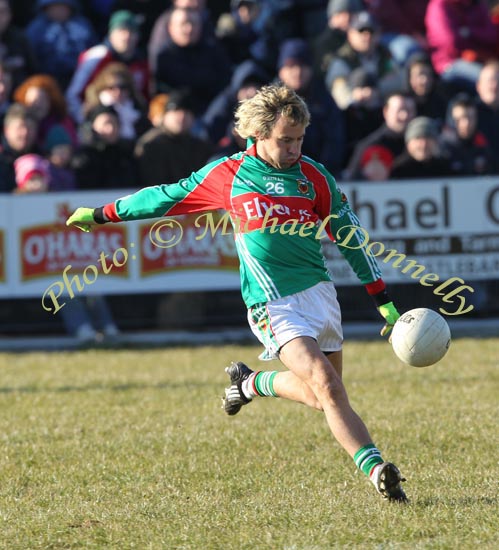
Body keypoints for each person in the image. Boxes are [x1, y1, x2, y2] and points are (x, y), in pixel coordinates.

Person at [66, 83, 408, 502]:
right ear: (258, 134)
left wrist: (384, 301)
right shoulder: (228, 175)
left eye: (300, 139)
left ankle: (251, 383)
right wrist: (103, 214)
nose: (294, 149)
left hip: (320, 296)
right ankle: (379, 474)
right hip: (272, 303)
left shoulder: (314, 177)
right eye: (285, 140)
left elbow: (351, 237)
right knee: (327, 386)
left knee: (325, 397)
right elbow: (163, 199)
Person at [65, 10, 149, 123]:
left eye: (132, 31)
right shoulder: (97, 56)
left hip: (129, 123)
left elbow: (142, 98)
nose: (127, 36)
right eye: (121, 31)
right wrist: (83, 122)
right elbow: (73, 95)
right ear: (111, 34)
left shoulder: (142, 63)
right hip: (96, 121)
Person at [276, 38, 346, 173]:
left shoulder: (324, 100)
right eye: (291, 66)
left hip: (318, 174)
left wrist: (320, 173)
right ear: (281, 71)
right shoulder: (270, 101)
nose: (297, 72)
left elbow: (334, 141)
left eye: (302, 66)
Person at [152, 6, 231, 116]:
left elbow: (224, 85)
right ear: (171, 27)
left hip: (209, 113)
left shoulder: (213, 52)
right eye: (183, 23)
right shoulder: (162, 57)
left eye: (193, 24)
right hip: (173, 114)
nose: (189, 29)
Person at [134, 89, 213, 186]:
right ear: (165, 114)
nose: (182, 116)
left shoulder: (201, 147)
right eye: (176, 111)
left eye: (187, 112)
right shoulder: (151, 144)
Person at [325, 10, 400, 109]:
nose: (367, 36)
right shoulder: (342, 60)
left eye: (371, 31)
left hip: (382, 112)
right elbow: (339, 92)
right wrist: (354, 96)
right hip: (352, 116)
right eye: (361, 31)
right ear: (350, 34)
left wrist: (377, 92)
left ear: (379, 34)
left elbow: (396, 83)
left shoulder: (386, 56)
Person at [425, 0, 499, 92]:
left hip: (481, 58)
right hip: (450, 63)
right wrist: (476, 43)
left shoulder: (477, 4)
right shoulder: (440, 5)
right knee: (490, 80)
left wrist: (469, 32)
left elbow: (492, 35)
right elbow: (451, 42)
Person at [25, 0, 98, 91]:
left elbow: (94, 49)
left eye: (63, 6)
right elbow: (31, 59)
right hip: (49, 78)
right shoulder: (36, 29)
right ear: (46, 8)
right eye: (55, 6)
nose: (59, 11)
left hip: (81, 75)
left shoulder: (83, 25)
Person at [345, 91, 416, 180]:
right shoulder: (369, 145)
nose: (404, 116)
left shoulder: (424, 145)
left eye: (409, 111)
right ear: (386, 112)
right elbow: (351, 181)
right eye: (400, 110)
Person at [71, 104, 138, 189]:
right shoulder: (83, 157)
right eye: (106, 124)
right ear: (93, 126)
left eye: (114, 123)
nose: (111, 129)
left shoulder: (128, 153)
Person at [441, 92, 492, 175]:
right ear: (452, 120)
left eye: (471, 117)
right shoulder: (443, 148)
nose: (466, 123)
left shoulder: (483, 144)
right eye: (461, 118)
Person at [390, 116, 457, 179]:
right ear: (408, 143)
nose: (423, 145)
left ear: (436, 142)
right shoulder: (396, 170)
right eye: (418, 138)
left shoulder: (446, 169)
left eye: (428, 138)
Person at [313, 0, 364, 79]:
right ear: (332, 18)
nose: (347, 18)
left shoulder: (363, 37)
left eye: (350, 14)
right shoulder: (323, 43)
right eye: (341, 14)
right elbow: (325, 68)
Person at [0, 103, 39, 192]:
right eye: (19, 127)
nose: (25, 133)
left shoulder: (44, 162)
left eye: (29, 127)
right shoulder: (2, 163)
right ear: (7, 130)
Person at [475, 61, 499, 172]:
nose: (495, 86)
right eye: (490, 81)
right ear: (478, 86)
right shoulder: (469, 113)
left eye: (498, 81)